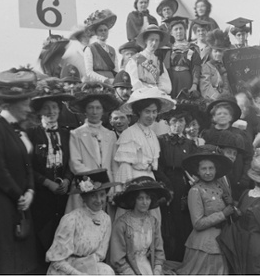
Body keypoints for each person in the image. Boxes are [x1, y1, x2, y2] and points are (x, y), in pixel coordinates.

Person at [0, 67, 39, 274]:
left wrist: (31, 191)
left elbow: (28, 165)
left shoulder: (20, 129)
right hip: (5, 203)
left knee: (24, 257)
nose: (28, 107)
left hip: (23, 202)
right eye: (25, 102)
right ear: (12, 104)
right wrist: (19, 195)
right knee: (8, 256)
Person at [27, 78, 75, 270]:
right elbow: (27, 167)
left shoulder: (66, 134)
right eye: (47, 108)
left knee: (61, 234)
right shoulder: (31, 134)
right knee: (41, 237)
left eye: (54, 107)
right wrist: (47, 182)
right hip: (41, 197)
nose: (51, 112)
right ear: (39, 111)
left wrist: (67, 180)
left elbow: (71, 162)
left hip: (62, 196)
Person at [114, 87, 176, 220]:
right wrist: (127, 191)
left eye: (154, 112)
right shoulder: (129, 133)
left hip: (150, 182)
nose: (151, 116)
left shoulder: (152, 134)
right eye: (147, 111)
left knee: (152, 221)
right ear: (139, 112)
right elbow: (124, 166)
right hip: (134, 183)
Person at [176, 145, 235, 275]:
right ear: (198, 171)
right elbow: (197, 223)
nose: (208, 172)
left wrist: (231, 204)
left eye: (211, 168)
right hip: (205, 246)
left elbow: (231, 211)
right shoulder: (196, 190)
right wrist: (222, 214)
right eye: (204, 169)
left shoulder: (221, 187)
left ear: (216, 169)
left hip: (223, 240)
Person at [46, 169, 117, 275]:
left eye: (102, 195)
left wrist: (87, 267)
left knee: (106, 271)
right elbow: (57, 260)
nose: (99, 200)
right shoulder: (71, 219)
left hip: (89, 266)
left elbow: (100, 254)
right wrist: (79, 274)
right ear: (84, 197)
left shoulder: (106, 219)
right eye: (93, 196)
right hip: (65, 269)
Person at [66, 82, 119, 212]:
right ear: (85, 110)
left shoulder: (110, 135)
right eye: (90, 108)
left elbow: (113, 165)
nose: (94, 112)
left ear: (103, 110)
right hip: (84, 186)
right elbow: (75, 163)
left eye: (98, 108)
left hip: (105, 189)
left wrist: (112, 187)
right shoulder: (76, 134)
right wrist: (93, 182)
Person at [157, 106, 196, 261]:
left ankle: (181, 259)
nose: (177, 125)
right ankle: (165, 258)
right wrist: (166, 183)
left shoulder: (189, 144)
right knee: (167, 222)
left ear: (185, 124)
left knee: (182, 220)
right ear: (168, 122)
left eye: (181, 121)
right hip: (165, 181)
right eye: (174, 121)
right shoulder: (160, 140)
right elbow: (157, 165)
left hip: (184, 183)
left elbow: (193, 165)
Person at [202, 95, 253, 201]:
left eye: (225, 113)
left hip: (236, 178)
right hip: (213, 178)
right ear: (214, 117)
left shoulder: (240, 135)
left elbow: (248, 158)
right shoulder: (207, 135)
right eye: (219, 114)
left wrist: (244, 179)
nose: (222, 116)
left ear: (231, 117)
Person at [124, 24, 172, 94]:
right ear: (146, 40)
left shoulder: (159, 62)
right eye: (151, 40)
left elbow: (164, 81)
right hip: (141, 92)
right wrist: (145, 91)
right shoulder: (136, 59)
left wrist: (159, 91)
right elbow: (133, 80)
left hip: (156, 92)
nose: (154, 43)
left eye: (157, 40)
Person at [163, 16, 201, 98]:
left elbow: (196, 67)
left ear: (185, 30)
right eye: (176, 29)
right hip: (172, 79)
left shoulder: (191, 48)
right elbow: (165, 68)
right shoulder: (169, 49)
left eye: (181, 28)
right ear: (171, 33)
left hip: (186, 78)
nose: (179, 31)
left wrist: (194, 84)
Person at [83, 9, 118, 84]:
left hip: (112, 82)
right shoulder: (90, 49)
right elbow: (89, 72)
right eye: (100, 30)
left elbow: (116, 71)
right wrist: (105, 80)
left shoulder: (112, 50)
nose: (103, 32)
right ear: (96, 32)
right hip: (97, 83)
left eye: (105, 30)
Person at [200, 29, 231, 100]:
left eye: (220, 51)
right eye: (215, 51)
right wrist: (218, 98)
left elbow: (226, 85)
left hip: (222, 98)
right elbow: (205, 87)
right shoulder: (206, 66)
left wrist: (224, 96)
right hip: (210, 99)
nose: (218, 54)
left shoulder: (221, 67)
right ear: (210, 52)